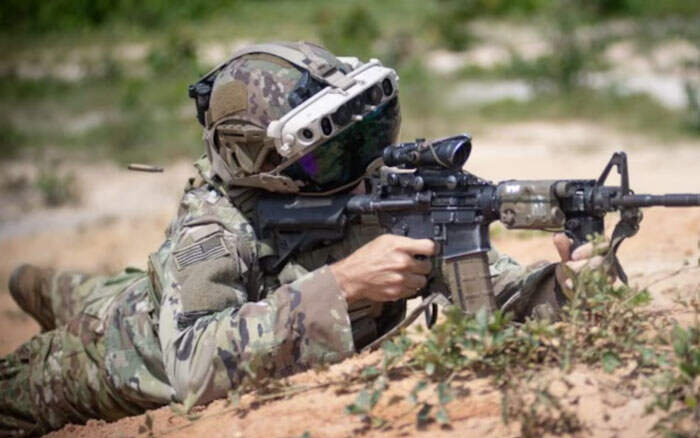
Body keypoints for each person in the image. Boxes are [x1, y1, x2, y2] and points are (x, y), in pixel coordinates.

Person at [0, 41, 608, 437]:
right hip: (114, 353)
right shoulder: (214, 228)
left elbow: (504, 296)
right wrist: (344, 285)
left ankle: (42, 284)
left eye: (369, 134)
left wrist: (567, 285)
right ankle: (36, 285)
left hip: (143, 293)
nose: (364, 160)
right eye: (332, 153)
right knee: (67, 345)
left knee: (96, 288)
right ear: (265, 164)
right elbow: (192, 366)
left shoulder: (380, 195)